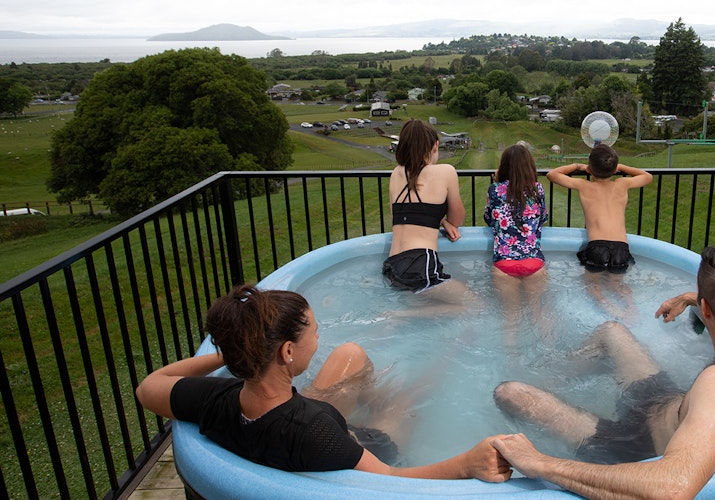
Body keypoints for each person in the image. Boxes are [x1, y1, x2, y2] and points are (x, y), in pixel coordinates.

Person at [491, 245, 715, 499]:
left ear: (706, 310)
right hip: (668, 403)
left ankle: (544, 388)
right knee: (612, 331)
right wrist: (689, 298)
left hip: (635, 446)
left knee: (509, 393)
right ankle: (553, 376)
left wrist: (541, 464)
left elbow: (671, 489)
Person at [135, 285, 513, 481]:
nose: (317, 339)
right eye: (314, 332)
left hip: (274, 410)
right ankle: (455, 348)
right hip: (365, 448)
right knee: (403, 402)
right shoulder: (316, 430)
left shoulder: (215, 400)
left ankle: (374, 391)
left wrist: (238, 349)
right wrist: (467, 463)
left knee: (349, 355)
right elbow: (393, 480)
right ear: (286, 352)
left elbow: (149, 386)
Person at [546, 144, 652, 321]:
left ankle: (610, 308)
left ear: (589, 169)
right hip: (621, 248)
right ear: (615, 169)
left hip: (597, 247)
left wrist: (577, 167)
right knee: (617, 285)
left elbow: (552, 175)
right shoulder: (623, 183)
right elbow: (647, 176)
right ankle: (631, 309)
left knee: (591, 284)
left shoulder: (583, 185)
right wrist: (622, 168)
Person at [383, 118, 477, 315]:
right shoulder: (446, 171)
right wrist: (446, 220)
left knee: (430, 305)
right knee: (475, 306)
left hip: (393, 266)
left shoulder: (396, 173)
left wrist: (439, 220)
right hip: (420, 262)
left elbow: (400, 215)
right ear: (435, 145)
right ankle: (401, 316)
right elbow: (457, 219)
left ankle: (406, 314)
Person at [483, 144, 551, 352]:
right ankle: (548, 355)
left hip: (504, 264)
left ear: (503, 166)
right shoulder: (537, 189)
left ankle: (511, 361)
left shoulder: (495, 190)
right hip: (534, 262)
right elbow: (542, 220)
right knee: (538, 313)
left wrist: (497, 181)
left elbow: (488, 219)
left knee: (511, 319)